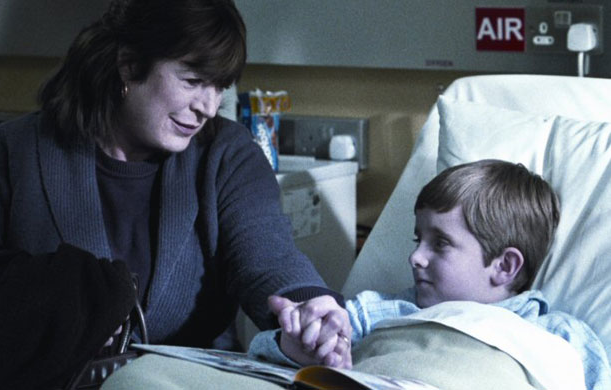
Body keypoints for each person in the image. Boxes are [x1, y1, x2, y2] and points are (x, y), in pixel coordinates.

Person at [0, 0, 348, 354]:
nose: (207, 107)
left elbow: (269, 256)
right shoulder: (22, 150)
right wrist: (43, 301)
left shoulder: (227, 154)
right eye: (193, 81)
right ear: (129, 64)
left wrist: (311, 309)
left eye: (220, 86)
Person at [252, 159, 611, 390]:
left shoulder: (559, 336)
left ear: (504, 266)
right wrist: (299, 345)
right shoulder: (378, 312)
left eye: (440, 243)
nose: (415, 257)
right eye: (417, 239)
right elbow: (260, 353)